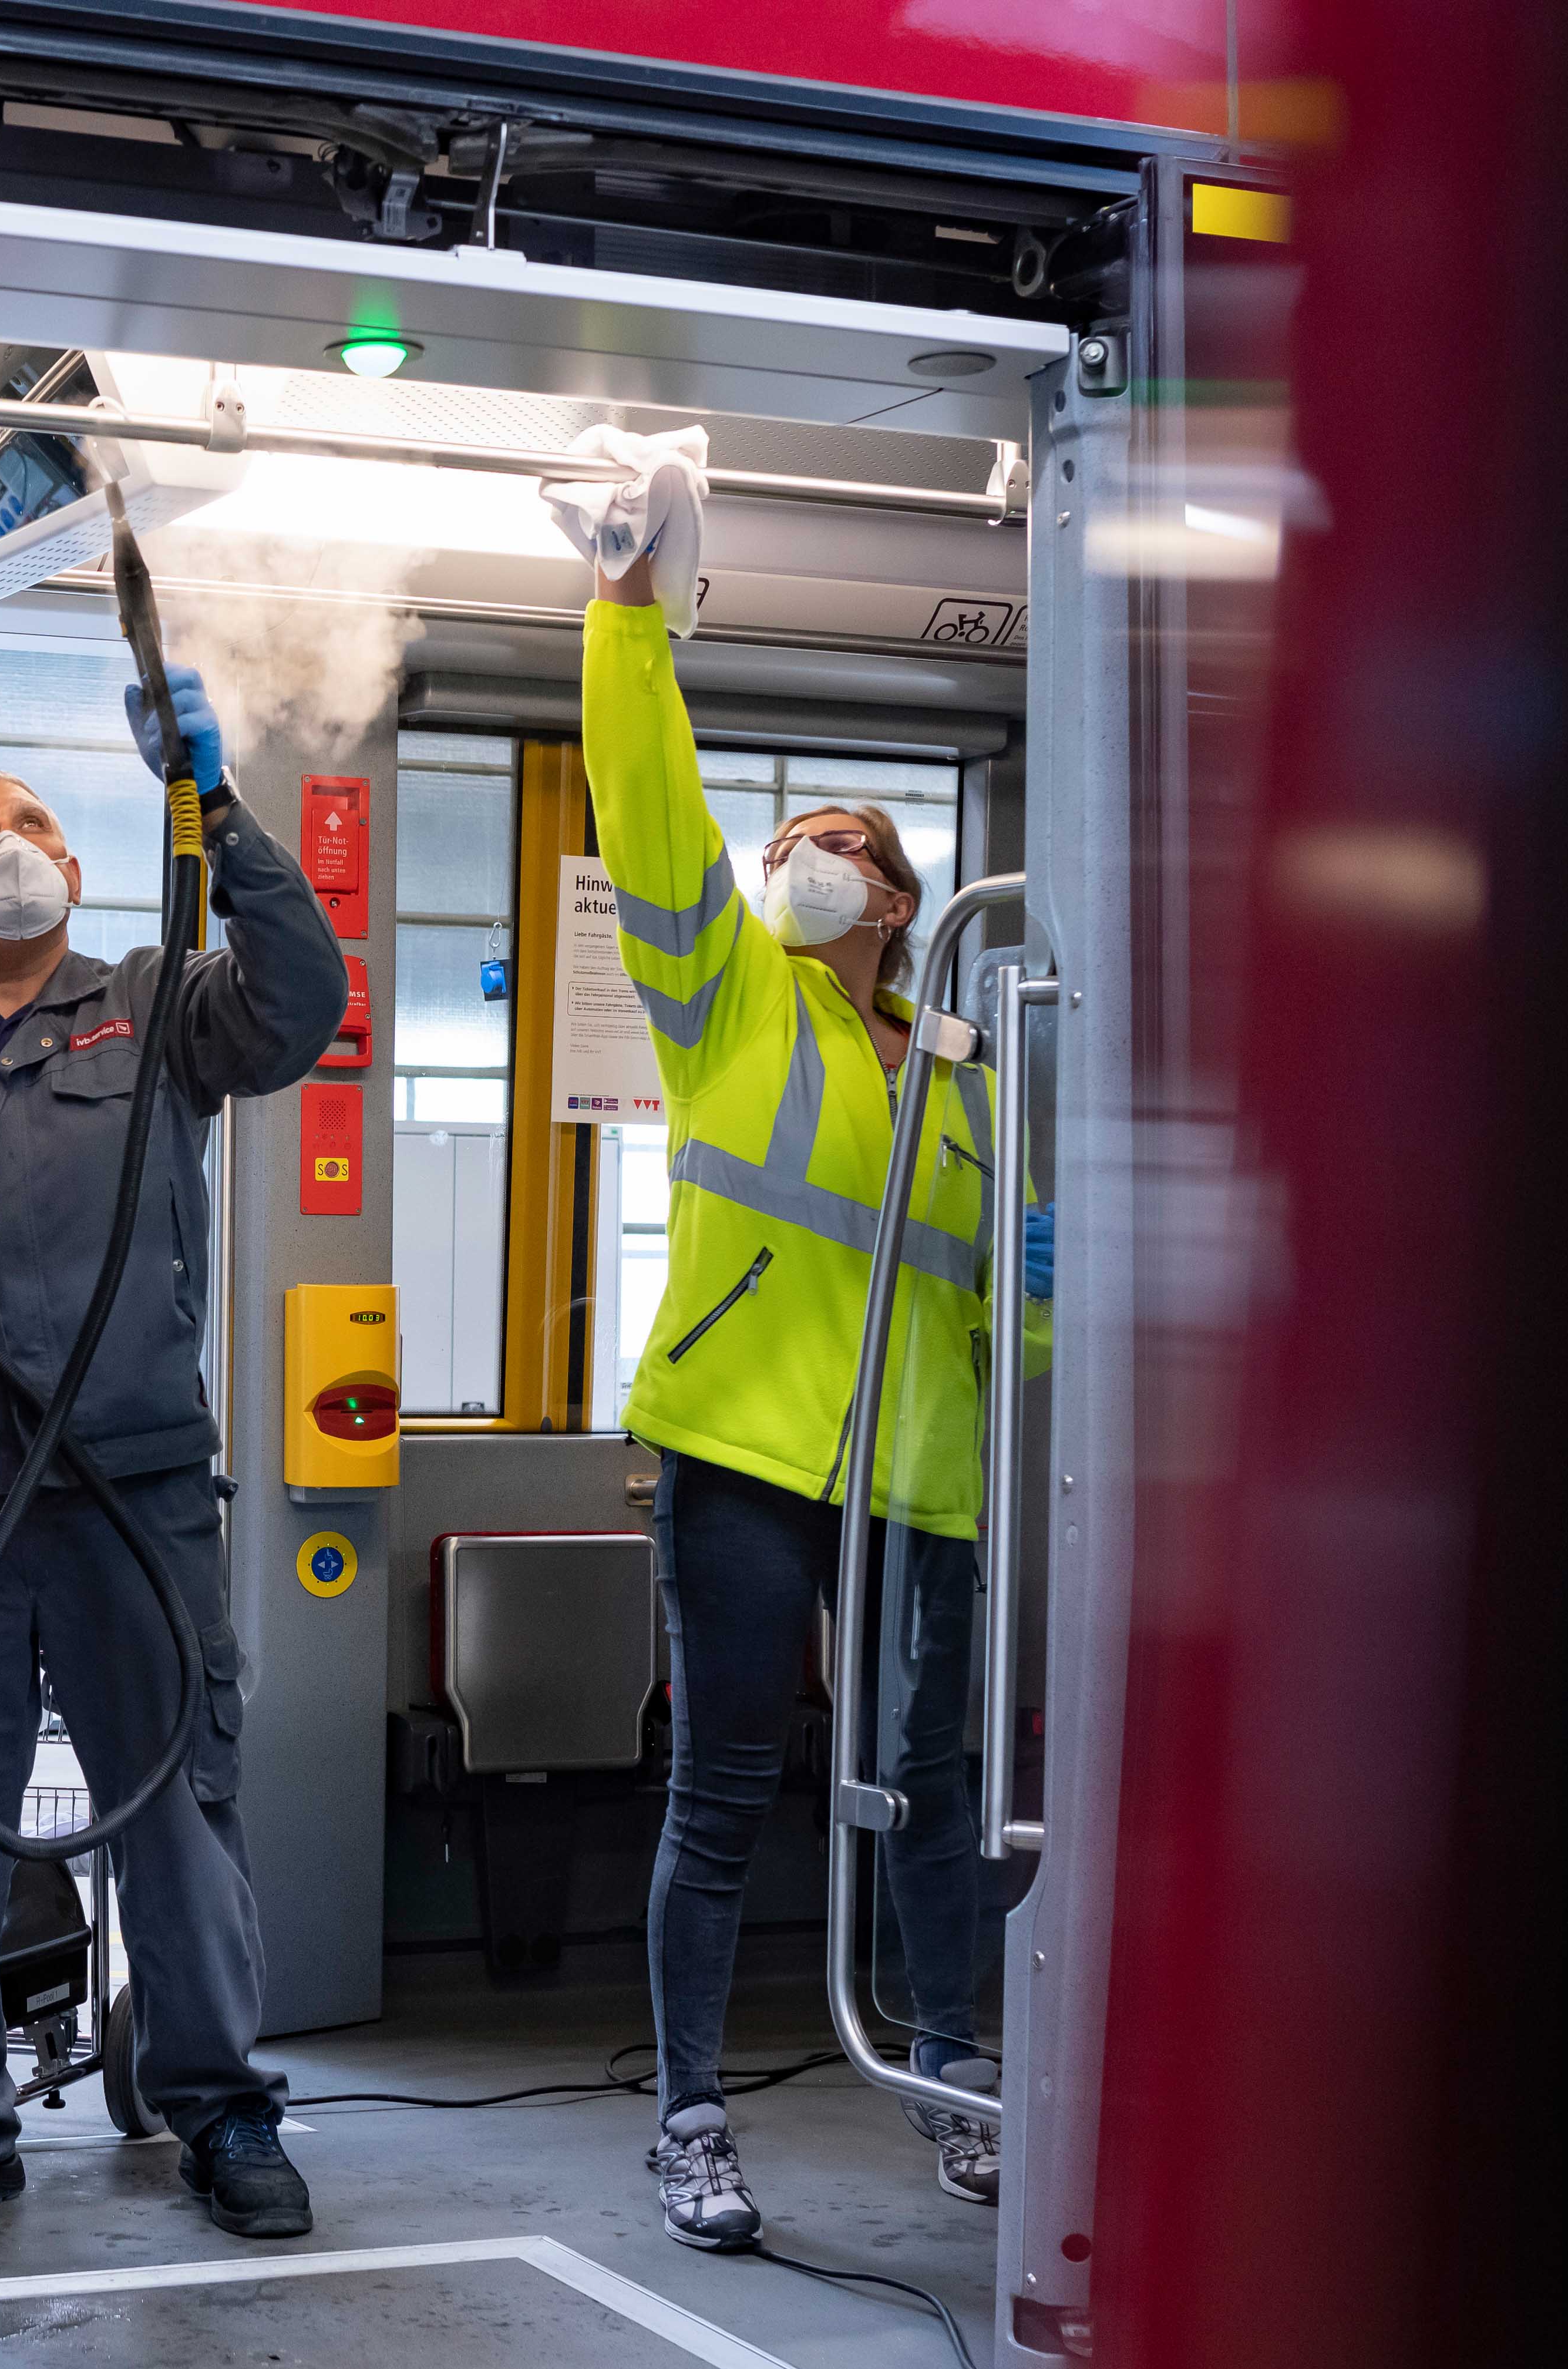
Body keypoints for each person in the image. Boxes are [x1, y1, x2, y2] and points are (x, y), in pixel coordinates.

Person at [547, 426, 1024, 2234]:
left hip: (924, 1474)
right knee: (728, 1780)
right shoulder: (724, 1005)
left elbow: (1011, 1284)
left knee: (928, 1790)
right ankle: (689, 2111)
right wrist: (625, 607)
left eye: (835, 852)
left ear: (896, 906)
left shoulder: (976, 1082)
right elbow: (644, 793)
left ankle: (951, 2079)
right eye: (788, 848)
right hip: (744, 1449)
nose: (799, 865)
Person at [0, 664, 348, 2239]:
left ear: (74, 873)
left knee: (175, 1802)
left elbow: (301, 1001)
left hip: (130, 1484)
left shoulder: (161, 1002)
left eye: (33, 822)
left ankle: (214, 2105)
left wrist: (216, 805)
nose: (3, 838)